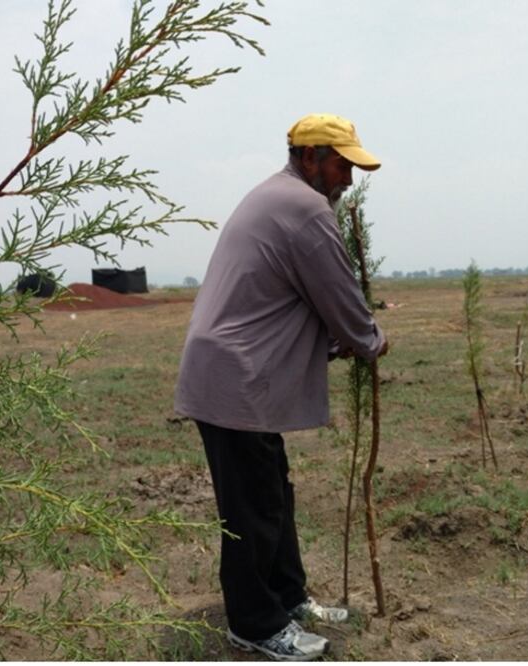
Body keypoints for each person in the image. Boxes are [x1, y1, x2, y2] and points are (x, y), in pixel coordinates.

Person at [174, 113, 389, 661]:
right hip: (236, 376)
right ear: (310, 156)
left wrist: (341, 340)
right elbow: (339, 295)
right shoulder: (304, 207)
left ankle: (288, 597)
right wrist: (369, 340)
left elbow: (290, 296)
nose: (348, 179)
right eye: (342, 166)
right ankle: (255, 624)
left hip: (241, 375)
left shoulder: (277, 196)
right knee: (252, 509)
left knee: (273, 492)